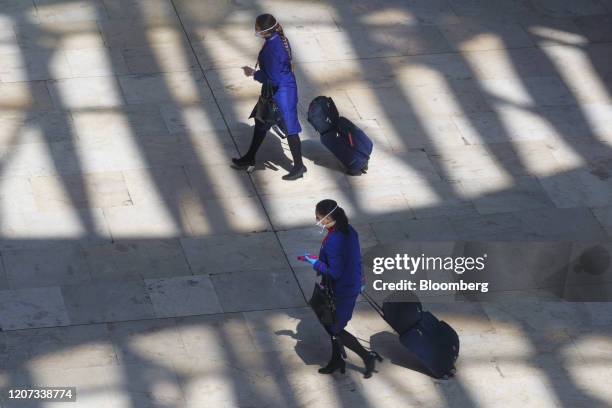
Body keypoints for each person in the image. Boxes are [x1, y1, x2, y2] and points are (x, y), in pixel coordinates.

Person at [301, 199, 383, 378]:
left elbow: (334, 272)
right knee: (331, 325)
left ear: (328, 217)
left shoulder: (334, 240)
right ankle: (336, 360)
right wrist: (360, 278)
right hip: (351, 284)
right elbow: (356, 258)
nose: (317, 220)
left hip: (342, 290)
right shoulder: (349, 231)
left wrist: (315, 262)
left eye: (319, 217)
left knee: (334, 328)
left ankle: (366, 356)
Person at [232, 13, 306, 181]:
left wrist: (253, 74)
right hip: (279, 90)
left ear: (265, 31)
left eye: (257, 28)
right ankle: (250, 156)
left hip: (280, 95)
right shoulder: (279, 40)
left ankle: (299, 166)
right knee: (261, 121)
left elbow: (271, 78)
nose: (255, 31)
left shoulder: (272, 51)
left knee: (290, 129)